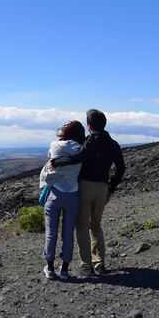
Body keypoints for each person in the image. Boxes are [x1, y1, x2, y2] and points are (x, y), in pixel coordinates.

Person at [49, 109, 125, 277]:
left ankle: (86, 266)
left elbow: (79, 158)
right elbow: (121, 168)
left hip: (85, 187)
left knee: (82, 225)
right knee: (96, 225)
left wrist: (56, 162)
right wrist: (111, 189)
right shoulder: (113, 144)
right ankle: (100, 265)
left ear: (89, 126)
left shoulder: (90, 141)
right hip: (102, 188)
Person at [41, 120, 86, 280]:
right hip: (73, 194)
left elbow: (50, 160)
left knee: (51, 232)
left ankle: (50, 268)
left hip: (55, 194)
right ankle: (65, 270)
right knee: (68, 233)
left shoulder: (55, 146)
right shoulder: (80, 148)